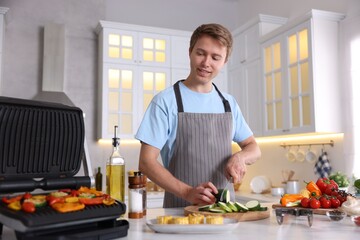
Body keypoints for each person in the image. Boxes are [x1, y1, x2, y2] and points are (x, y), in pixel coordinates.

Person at [135, 23, 261, 208]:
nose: (206, 63)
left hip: (224, 211)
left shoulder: (228, 104)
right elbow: (146, 162)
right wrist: (187, 192)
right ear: (190, 52)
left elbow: (253, 148)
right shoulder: (165, 101)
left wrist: (240, 157)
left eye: (215, 57)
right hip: (180, 210)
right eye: (201, 53)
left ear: (224, 62)